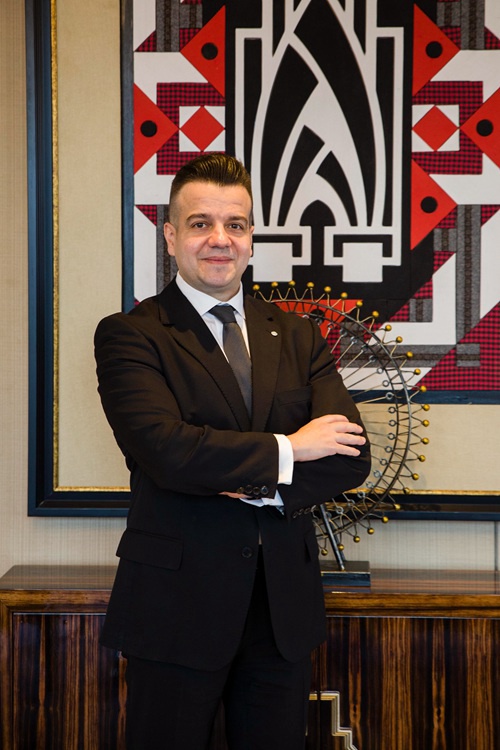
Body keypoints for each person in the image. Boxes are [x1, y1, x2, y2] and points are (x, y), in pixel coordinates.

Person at [94, 153, 370, 750]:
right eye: (200, 223)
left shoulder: (298, 335)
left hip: (281, 612)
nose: (220, 239)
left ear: (250, 238)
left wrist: (236, 471)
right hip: (175, 608)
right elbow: (165, 451)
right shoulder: (131, 335)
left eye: (235, 225)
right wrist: (292, 448)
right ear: (171, 237)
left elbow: (351, 457)